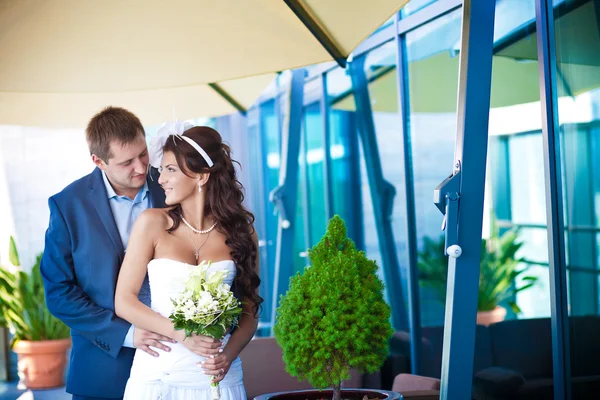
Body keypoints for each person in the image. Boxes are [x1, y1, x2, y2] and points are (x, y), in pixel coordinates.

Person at [114, 122, 262, 399]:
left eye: (170, 169)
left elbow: (250, 311)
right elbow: (124, 301)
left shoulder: (242, 232)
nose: (160, 179)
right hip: (157, 377)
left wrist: (227, 356)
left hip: (217, 377)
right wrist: (183, 335)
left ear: (201, 176)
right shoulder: (152, 223)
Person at [41, 106, 177, 400]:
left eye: (143, 154)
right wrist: (126, 334)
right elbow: (59, 293)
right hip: (103, 371)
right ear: (98, 161)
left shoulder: (173, 185)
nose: (141, 168)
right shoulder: (67, 206)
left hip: (178, 360)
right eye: (127, 162)